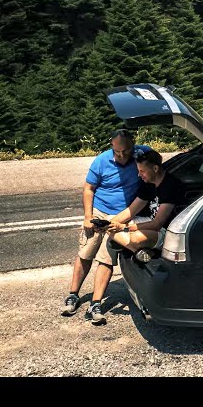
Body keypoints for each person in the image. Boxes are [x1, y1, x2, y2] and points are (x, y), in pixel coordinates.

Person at [61, 128, 152, 325]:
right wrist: (88, 217)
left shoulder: (142, 154)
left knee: (106, 258)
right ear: (111, 145)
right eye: (117, 151)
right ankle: (73, 295)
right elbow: (88, 189)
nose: (121, 156)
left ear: (133, 146)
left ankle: (96, 303)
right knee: (86, 253)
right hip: (99, 213)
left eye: (126, 151)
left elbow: (157, 164)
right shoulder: (102, 161)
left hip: (122, 217)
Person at [100, 148, 187, 266]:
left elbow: (157, 224)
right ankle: (139, 252)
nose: (139, 175)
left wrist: (123, 228)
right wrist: (108, 224)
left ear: (155, 168)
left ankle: (131, 245)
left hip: (166, 231)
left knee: (135, 238)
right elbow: (132, 210)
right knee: (110, 221)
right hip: (149, 221)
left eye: (142, 171)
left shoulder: (171, 186)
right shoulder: (148, 183)